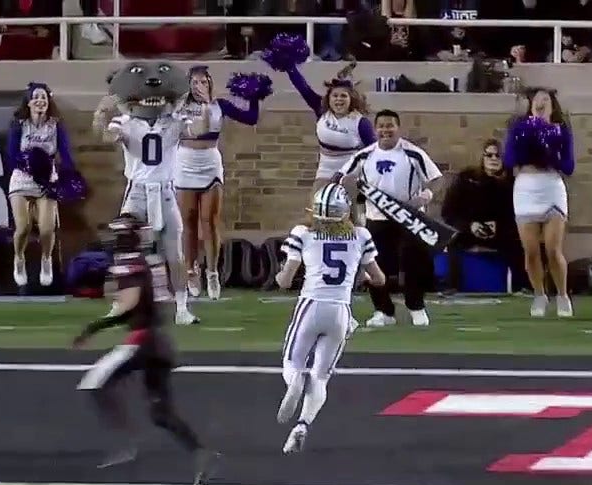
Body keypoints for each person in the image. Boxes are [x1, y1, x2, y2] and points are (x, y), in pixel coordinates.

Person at [73, 214, 220, 485]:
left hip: (142, 341)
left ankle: (127, 443)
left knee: (94, 384)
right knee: (161, 413)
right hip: (158, 343)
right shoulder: (148, 262)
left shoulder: (129, 265)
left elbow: (128, 304)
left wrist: (92, 328)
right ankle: (201, 453)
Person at [92, 62, 211, 326]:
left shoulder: (175, 121)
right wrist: (101, 112)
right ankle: (120, 304)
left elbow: (200, 130)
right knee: (124, 249)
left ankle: (182, 308)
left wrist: (205, 104)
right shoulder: (125, 121)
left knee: (174, 253)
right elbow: (106, 137)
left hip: (166, 190)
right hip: (137, 191)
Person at [274, 183, 385, 455]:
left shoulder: (304, 234)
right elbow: (379, 279)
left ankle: (296, 380)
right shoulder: (360, 236)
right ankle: (302, 425)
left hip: (311, 306)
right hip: (340, 312)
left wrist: (279, 275)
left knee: (291, 362)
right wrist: (360, 276)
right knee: (321, 377)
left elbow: (285, 281)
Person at [329, 109, 442, 328]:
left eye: (390, 125)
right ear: (375, 129)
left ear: (398, 128)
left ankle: (416, 307)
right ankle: (383, 311)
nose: (385, 130)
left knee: (413, 264)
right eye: (381, 126)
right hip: (376, 218)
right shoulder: (365, 154)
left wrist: (425, 196)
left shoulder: (413, 153)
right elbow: (342, 175)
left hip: (408, 218)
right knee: (375, 266)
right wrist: (339, 190)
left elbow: (436, 179)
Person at [176, 66, 264, 301]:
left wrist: (255, 95)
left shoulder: (220, 105)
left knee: (209, 220)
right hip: (184, 162)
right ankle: (190, 270)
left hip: (210, 163)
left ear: (210, 83)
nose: (199, 87)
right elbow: (191, 131)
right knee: (188, 221)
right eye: (194, 82)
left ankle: (212, 272)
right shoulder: (179, 107)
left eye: (203, 82)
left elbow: (250, 118)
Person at [261, 36, 376, 193]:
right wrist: (290, 67)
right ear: (329, 98)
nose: (339, 100)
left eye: (344, 96)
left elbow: (374, 151)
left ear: (352, 99)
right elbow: (303, 88)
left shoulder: (360, 122)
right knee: (318, 207)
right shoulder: (322, 111)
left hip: (352, 174)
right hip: (325, 172)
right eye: (335, 96)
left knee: (348, 211)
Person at [504, 88, 576, 318]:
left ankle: (563, 295)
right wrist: (529, 142)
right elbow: (509, 159)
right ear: (530, 105)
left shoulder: (561, 130)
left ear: (553, 106)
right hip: (526, 188)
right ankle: (539, 294)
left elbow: (568, 166)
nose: (541, 103)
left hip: (551, 187)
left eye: (546, 99)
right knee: (531, 251)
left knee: (553, 248)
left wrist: (549, 150)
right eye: (537, 99)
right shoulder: (519, 128)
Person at [7, 82, 80, 289]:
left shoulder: (55, 125)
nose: (40, 101)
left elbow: (65, 154)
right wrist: (30, 164)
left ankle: (46, 260)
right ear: (28, 102)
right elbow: (12, 155)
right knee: (23, 227)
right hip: (22, 177)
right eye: (36, 97)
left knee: (47, 229)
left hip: (47, 179)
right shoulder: (19, 124)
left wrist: (67, 174)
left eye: (44, 98)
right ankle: (19, 258)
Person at [439, 139, 528, 295]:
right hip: (469, 230)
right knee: (453, 240)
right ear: (483, 158)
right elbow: (449, 212)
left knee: (518, 242)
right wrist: (469, 226)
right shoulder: (466, 179)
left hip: (501, 232)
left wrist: (498, 227)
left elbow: (519, 214)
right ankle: (452, 286)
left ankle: (521, 286)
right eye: (489, 155)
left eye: (498, 156)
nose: (493, 159)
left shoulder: (512, 184)